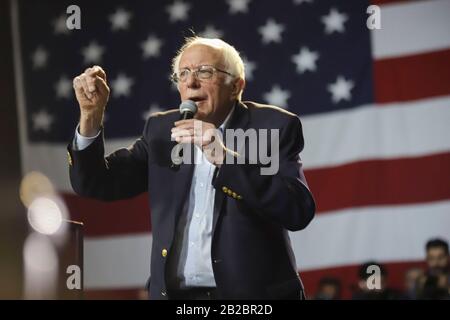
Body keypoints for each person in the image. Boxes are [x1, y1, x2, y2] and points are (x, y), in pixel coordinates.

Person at [68, 36, 315, 300]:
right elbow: (95, 182)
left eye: (204, 72)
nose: (190, 81)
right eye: (182, 73)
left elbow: (297, 210)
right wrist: (90, 117)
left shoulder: (271, 127)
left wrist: (224, 156)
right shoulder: (162, 131)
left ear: (236, 86)